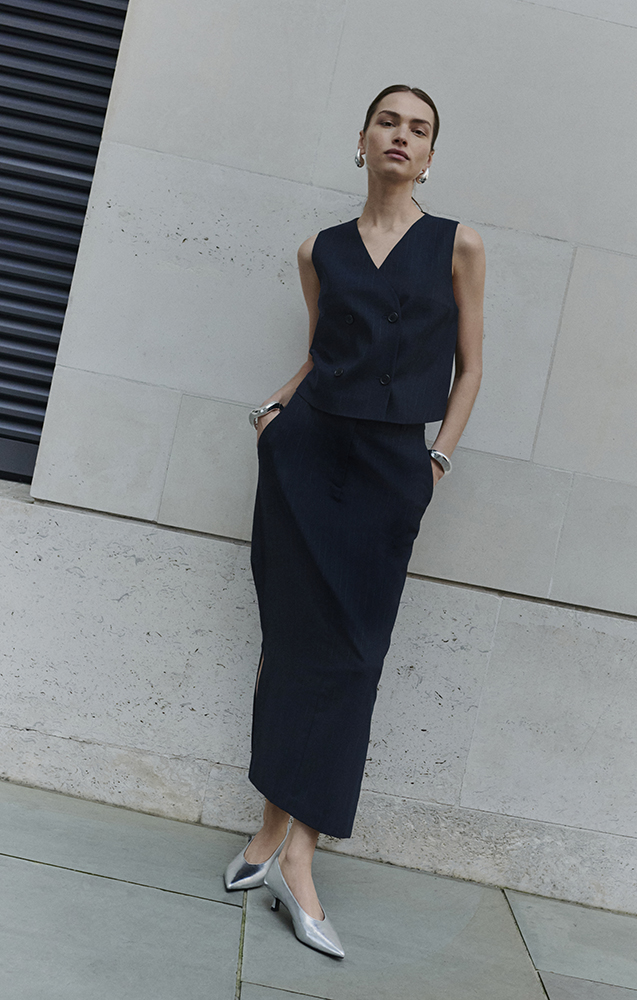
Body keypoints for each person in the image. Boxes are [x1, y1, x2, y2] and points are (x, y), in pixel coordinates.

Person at [223, 85, 485, 958]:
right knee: (289, 643)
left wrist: (435, 460)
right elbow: (321, 351)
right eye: (389, 122)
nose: (401, 137)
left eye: (419, 129)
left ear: (432, 154)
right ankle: (271, 840)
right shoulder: (318, 250)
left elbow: (472, 370)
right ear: (362, 141)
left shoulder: (459, 245)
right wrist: (274, 412)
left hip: (388, 470)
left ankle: (300, 853)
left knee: (356, 657)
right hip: (305, 459)